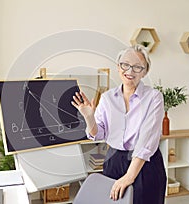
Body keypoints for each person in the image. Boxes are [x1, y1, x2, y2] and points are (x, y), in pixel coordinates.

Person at [71, 45, 167, 204]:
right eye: (125, 65)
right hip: (114, 161)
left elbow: (146, 141)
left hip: (145, 165)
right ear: (118, 67)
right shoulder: (107, 98)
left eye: (137, 67)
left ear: (145, 71)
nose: (130, 71)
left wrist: (129, 177)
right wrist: (89, 118)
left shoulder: (154, 97)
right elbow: (98, 134)